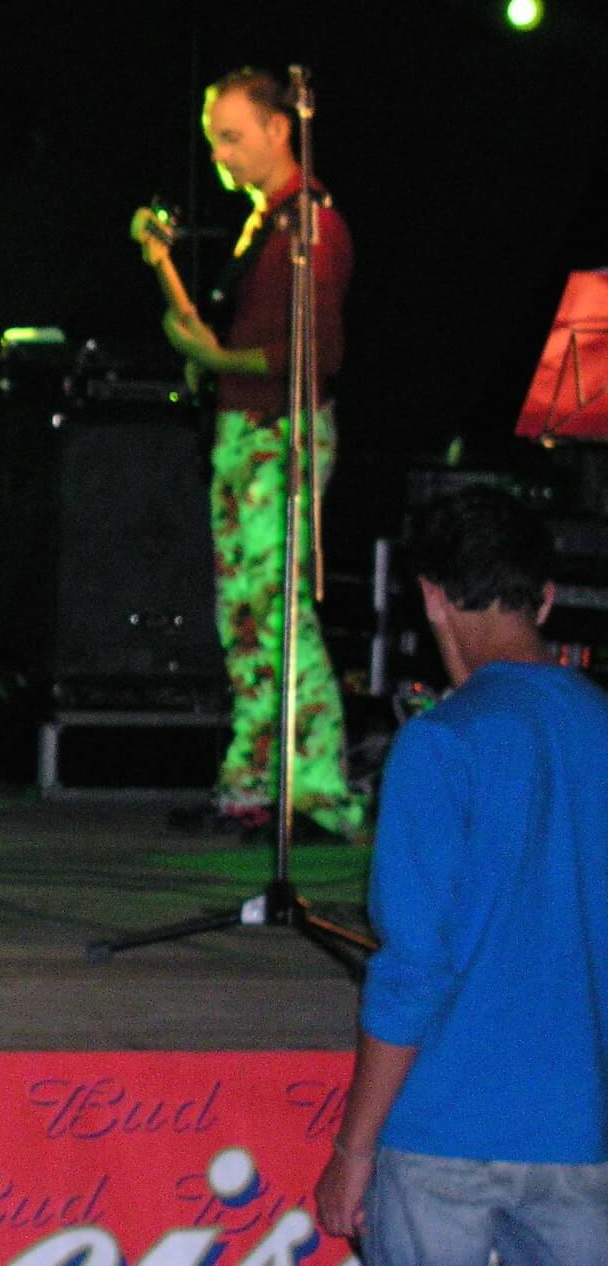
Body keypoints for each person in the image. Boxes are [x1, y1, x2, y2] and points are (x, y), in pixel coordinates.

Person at [313, 486, 608, 1262]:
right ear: (545, 598)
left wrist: (352, 1147)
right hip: (582, 1133)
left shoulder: (440, 744)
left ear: (431, 598)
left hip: (443, 1130)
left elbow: (413, 968)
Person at [137, 67, 361, 835]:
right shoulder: (266, 223)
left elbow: (314, 354)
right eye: (213, 141)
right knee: (246, 616)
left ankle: (317, 787)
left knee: (276, 612)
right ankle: (255, 780)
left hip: (278, 433)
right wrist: (208, 354)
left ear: (278, 128)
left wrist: (217, 359)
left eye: (231, 137)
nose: (220, 156)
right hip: (248, 431)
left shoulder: (309, 229)